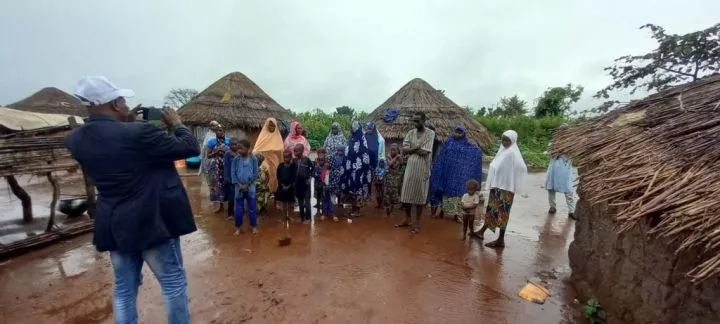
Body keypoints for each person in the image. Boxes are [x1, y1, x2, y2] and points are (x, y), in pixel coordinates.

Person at [65, 76, 198, 323]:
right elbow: (190, 147)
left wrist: (123, 123)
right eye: (123, 101)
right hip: (151, 221)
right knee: (173, 283)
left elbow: (114, 151)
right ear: (115, 104)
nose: (127, 105)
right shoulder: (140, 132)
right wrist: (177, 124)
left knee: (124, 289)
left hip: (114, 224)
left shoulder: (75, 139)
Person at [473, 130, 528, 248]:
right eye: (503, 139)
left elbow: (522, 168)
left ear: (513, 140)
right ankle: (482, 232)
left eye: (507, 140)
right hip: (498, 186)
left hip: (506, 189)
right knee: (492, 209)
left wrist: (512, 181)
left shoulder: (512, 153)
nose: (504, 142)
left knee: (503, 213)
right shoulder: (503, 151)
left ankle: (500, 240)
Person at [430, 125, 483, 222]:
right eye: (456, 132)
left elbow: (471, 152)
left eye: (460, 133)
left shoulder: (466, 145)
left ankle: (456, 215)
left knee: (458, 194)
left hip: (458, 174)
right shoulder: (449, 142)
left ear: (464, 134)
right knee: (445, 192)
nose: (458, 134)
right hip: (447, 172)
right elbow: (442, 156)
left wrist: (478, 151)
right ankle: (442, 212)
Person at [395, 112, 435, 234]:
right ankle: (407, 219)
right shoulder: (410, 133)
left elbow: (425, 152)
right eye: (414, 121)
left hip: (422, 168)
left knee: (419, 197)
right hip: (410, 168)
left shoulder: (430, 133)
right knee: (406, 195)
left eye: (418, 121)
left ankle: (416, 222)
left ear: (424, 121)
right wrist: (416, 148)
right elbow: (404, 150)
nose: (415, 123)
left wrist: (411, 150)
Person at [546, 124, 576, 220]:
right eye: (562, 130)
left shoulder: (572, 142)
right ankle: (552, 206)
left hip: (564, 168)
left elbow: (573, 152)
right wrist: (555, 150)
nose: (563, 132)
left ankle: (571, 211)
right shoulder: (554, 141)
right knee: (551, 188)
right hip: (554, 167)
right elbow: (549, 152)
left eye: (565, 130)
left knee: (568, 188)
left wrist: (563, 150)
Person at [344, 121, 372, 218]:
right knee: (352, 188)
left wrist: (360, 167)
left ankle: (357, 210)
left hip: (358, 170)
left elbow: (365, 155)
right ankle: (353, 208)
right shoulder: (352, 138)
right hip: (351, 169)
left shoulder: (361, 139)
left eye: (351, 127)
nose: (350, 129)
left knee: (358, 188)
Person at [232, 139, 259, 235]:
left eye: (241, 148)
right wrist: (239, 185)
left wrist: (247, 184)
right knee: (238, 210)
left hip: (250, 188)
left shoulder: (253, 159)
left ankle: (253, 226)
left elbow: (256, 173)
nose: (239, 150)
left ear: (248, 149)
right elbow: (233, 173)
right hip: (238, 188)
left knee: (252, 208)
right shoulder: (236, 159)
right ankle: (238, 227)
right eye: (238, 148)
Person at [252, 118, 284, 195]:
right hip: (263, 160)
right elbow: (256, 150)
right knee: (265, 175)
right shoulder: (262, 136)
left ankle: (274, 192)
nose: (271, 128)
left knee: (275, 175)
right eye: (269, 126)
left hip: (275, 160)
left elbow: (281, 151)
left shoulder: (278, 138)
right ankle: (265, 191)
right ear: (266, 126)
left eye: (273, 126)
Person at [206, 126, 231, 213]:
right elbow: (208, 155)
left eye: (221, 131)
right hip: (216, 166)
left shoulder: (229, 141)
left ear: (224, 131)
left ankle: (229, 206)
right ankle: (220, 206)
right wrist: (215, 152)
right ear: (215, 132)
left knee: (227, 184)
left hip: (226, 165)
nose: (219, 132)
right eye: (217, 131)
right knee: (217, 186)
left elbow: (233, 152)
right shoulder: (211, 142)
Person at [383, 144, 405, 217]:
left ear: (398, 151)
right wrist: (396, 157)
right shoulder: (388, 156)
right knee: (387, 195)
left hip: (396, 179)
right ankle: (387, 210)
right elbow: (390, 164)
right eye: (391, 149)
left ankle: (391, 208)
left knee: (394, 195)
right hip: (388, 178)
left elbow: (401, 163)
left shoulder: (399, 157)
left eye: (394, 150)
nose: (392, 151)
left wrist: (399, 157)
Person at [426, 125, 444, 218]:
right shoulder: (425, 139)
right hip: (427, 164)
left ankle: (434, 209)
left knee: (434, 189)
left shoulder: (436, 141)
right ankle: (426, 201)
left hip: (434, 166)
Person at [294, 144, 313, 224]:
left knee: (307, 201)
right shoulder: (294, 160)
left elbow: (312, 168)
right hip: (298, 184)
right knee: (300, 201)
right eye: (294, 151)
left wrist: (309, 177)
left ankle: (308, 218)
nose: (295, 152)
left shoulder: (307, 159)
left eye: (296, 150)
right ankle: (302, 217)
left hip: (306, 183)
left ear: (302, 151)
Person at [276, 150, 297, 221]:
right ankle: (284, 216)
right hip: (282, 187)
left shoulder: (293, 166)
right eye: (284, 157)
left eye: (288, 157)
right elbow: (278, 176)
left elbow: (294, 176)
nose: (286, 159)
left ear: (291, 157)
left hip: (290, 187)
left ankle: (290, 216)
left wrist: (289, 186)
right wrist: (282, 185)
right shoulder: (280, 166)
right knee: (284, 203)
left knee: (290, 203)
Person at [329, 146, 346, 222]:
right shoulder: (333, 157)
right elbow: (331, 167)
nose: (340, 152)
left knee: (340, 191)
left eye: (341, 151)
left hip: (342, 176)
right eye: (338, 150)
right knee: (333, 193)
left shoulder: (345, 157)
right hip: (334, 177)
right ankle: (333, 211)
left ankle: (340, 202)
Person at [223, 138, 240, 219]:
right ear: (229, 145)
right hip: (230, 179)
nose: (234, 146)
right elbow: (226, 167)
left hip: (238, 178)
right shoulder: (227, 154)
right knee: (231, 198)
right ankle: (230, 214)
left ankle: (238, 212)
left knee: (238, 196)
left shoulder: (239, 154)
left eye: (235, 144)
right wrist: (227, 179)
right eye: (232, 144)